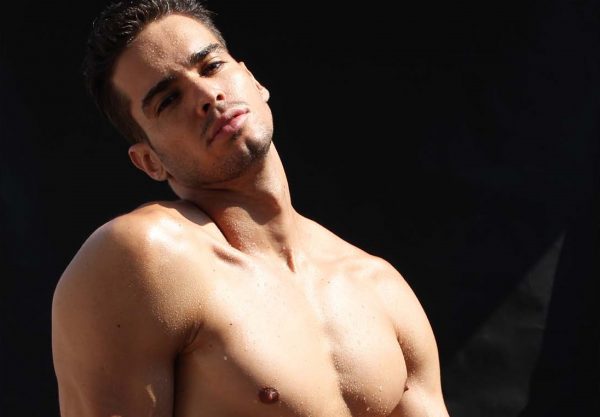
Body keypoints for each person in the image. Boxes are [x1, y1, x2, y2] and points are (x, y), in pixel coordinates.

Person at [51, 0, 450, 416]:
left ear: (254, 81)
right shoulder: (144, 256)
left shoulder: (378, 285)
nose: (208, 95)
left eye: (211, 66)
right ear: (149, 161)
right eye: (168, 99)